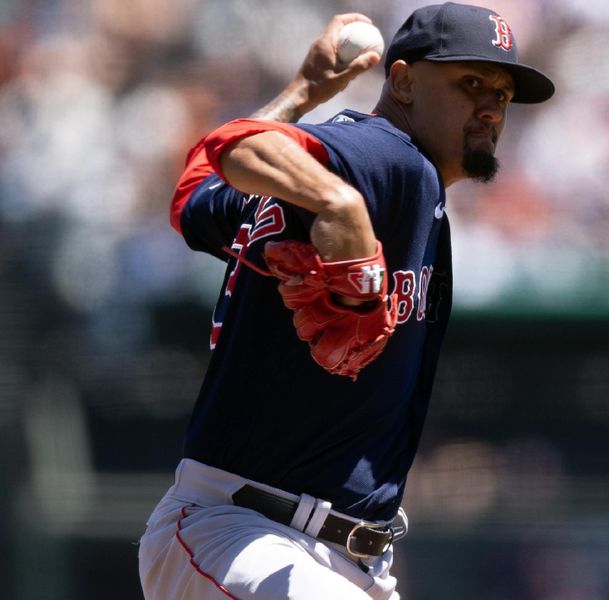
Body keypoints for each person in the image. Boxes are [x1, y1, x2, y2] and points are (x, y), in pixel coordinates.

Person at [138, 3, 554, 599]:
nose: (490, 107)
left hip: (321, 553)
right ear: (404, 81)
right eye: (469, 83)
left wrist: (303, 92)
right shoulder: (392, 160)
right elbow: (235, 146)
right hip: (248, 533)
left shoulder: (383, 174)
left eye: (503, 94)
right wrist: (341, 205)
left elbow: (195, 192)